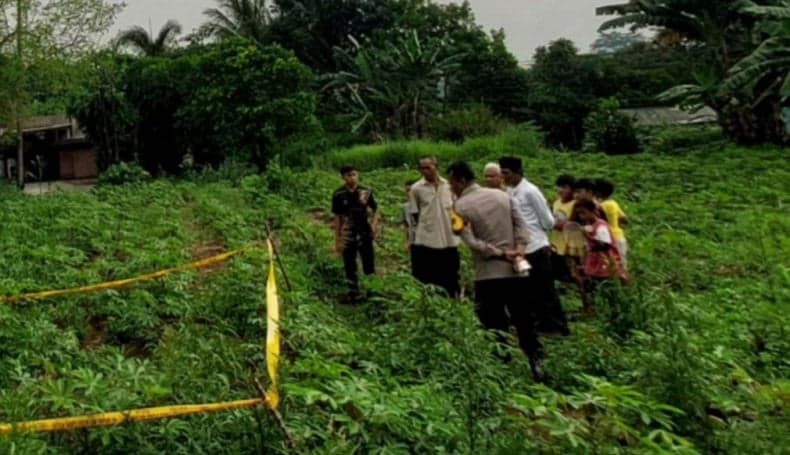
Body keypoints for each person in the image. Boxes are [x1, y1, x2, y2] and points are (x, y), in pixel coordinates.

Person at [447, 161, 546, 381]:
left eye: (452, 182)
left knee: (492, 322)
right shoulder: (504, 196)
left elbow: (471, 242)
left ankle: (501, 368)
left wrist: (499, 253)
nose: (450, 187)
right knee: (524, 318)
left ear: (461, 181)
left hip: (488, 275)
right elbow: (523, 226)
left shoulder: (459, 208)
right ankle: (536, 359)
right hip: (516, 272)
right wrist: (518, 250)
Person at [499, 156, 569, 336]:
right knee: (529, 290)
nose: (503, 176)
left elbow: (547, 220)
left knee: (544, 289)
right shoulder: (508, 191)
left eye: (506, 173)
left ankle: (556, 327)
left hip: (536, 246)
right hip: (521, 249)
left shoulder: (530, 191)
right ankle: (540, 325)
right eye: (502, 173)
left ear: (517, 173)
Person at [408, 156, 461, 297]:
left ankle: (453, 298)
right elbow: (415, 213)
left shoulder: (449, 185)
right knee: (431, 271)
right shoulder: (416, 189)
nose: (425, 171)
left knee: (451, 269)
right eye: (422, 168)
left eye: (428, 167)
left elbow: (457, 208)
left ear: (436, 167)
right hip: (428, 237)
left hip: (449, 235)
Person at [331, 165, 379, 301]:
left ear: (358, 175)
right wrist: (338, 239)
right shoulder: (338, 194)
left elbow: (376, 209)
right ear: (343, 177)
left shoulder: (366, 191)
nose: (351, 178)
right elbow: (337, 218)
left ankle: (372, 292)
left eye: (354, 174)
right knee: (349, 264)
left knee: (368, 263)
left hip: (365, 231)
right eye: (348, 175)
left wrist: (374, 226)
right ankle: (353, 293)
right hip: (348, 233)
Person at [573, 199, 628, 309]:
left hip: (604, 261)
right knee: (591, 284)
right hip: (593, 261)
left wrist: (588, 237)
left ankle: (612, 306)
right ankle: (593, 307)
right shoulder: (589, 225)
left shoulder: (601, 226)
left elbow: (605, 245)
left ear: (592, 211)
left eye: (583, 213)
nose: (581, 216)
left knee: (606, 284)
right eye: (579, 214)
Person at [551, 174, 585, 284]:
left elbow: (571, 224)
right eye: (559, 187)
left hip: (572, 245)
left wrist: (552, 223)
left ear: (573, 190)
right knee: (559, 272)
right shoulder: (556, 203)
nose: (560, 190)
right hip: (557, 243)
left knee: (575, 272)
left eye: (564, 187)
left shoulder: (575, 204)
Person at [595, 179, 630, 270]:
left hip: (608, 238)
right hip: (619, 236)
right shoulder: (614, 203)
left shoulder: (600, 206)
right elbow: (625, 219)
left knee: (609, 264)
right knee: (621, 263)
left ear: (598, 192)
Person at [402, 180, 418, 272]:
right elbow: (406, 225)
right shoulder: (405, 207)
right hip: (413, 240)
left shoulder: (424, 206)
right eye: (407, 191)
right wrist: (406, 241)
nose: (409, 193)